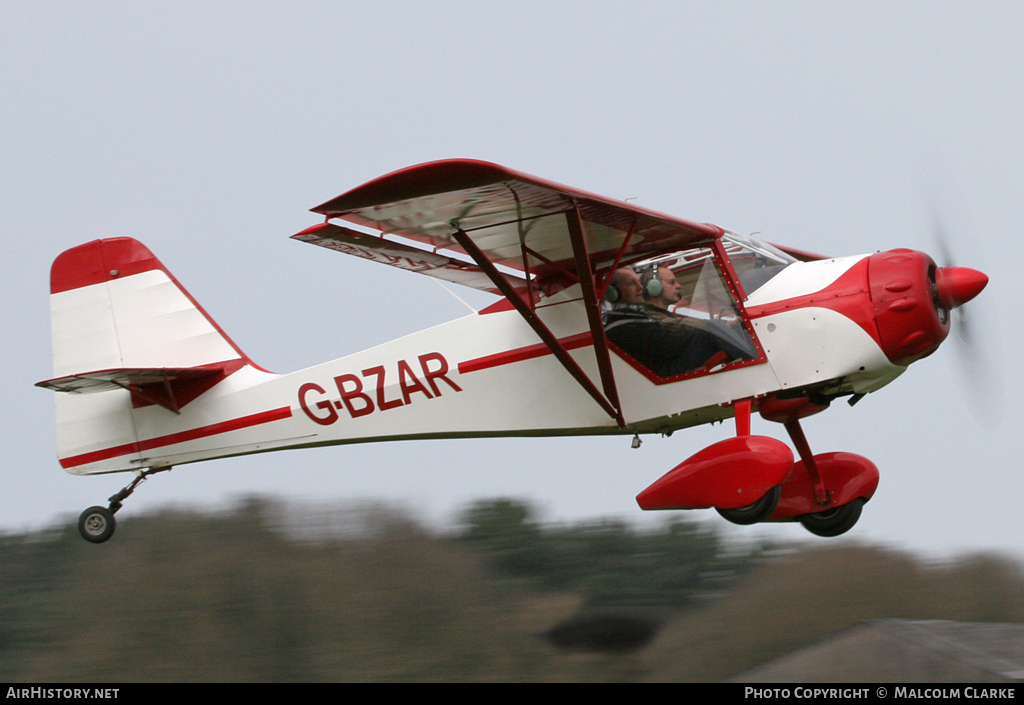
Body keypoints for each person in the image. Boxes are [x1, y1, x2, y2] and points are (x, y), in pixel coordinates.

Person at [604, 265, 753, 377]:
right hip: (666, 374)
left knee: (722, 328)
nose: (640, 287)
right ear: (613, 292)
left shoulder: (635, 317)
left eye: (638, 282)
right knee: (713, 329)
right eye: (631, 283)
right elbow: (667, 347)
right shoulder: (623, 324)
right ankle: (755, 363)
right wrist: (711, 328)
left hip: (672, 364)